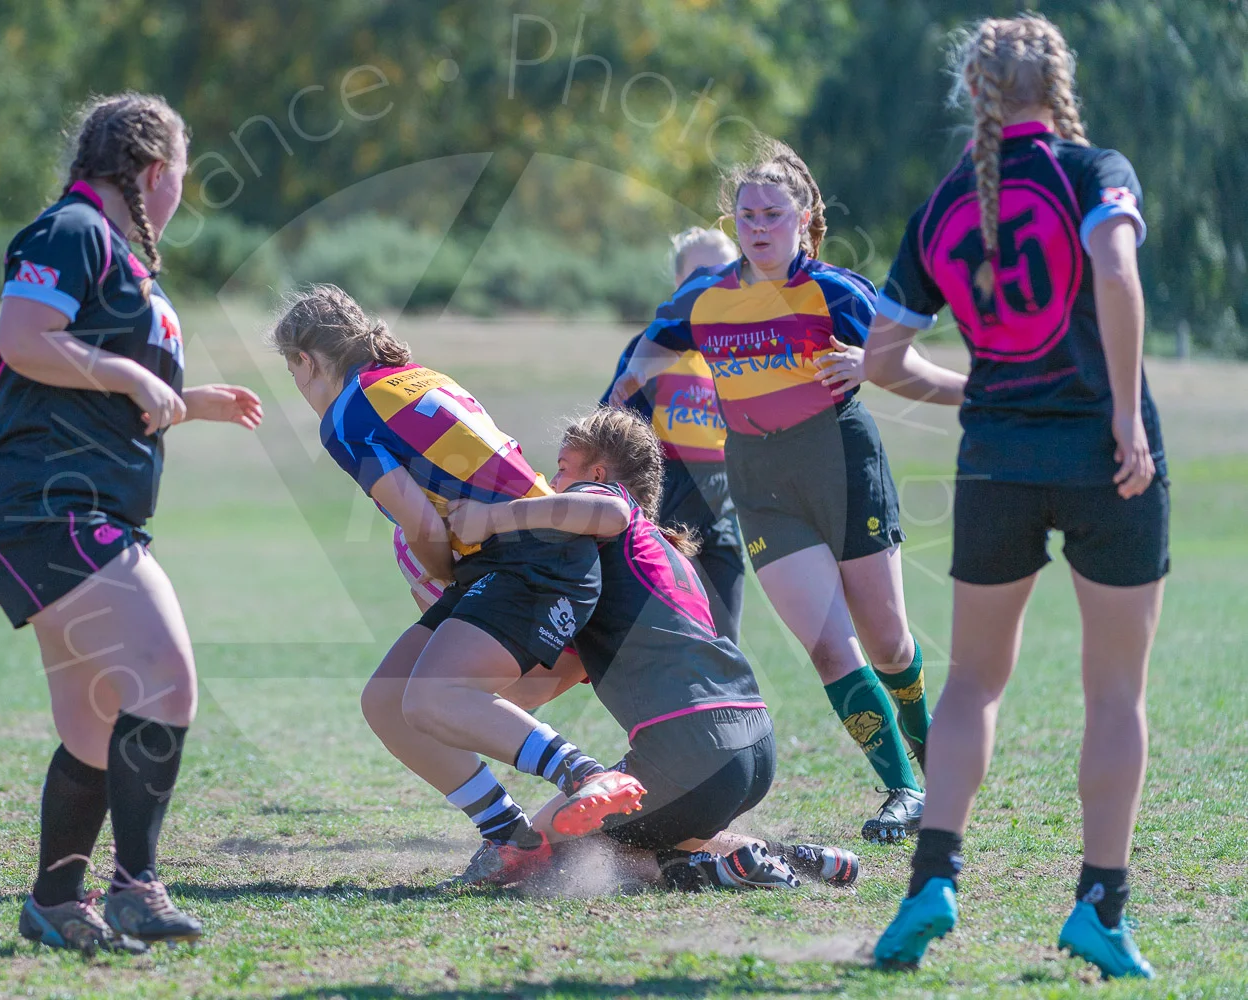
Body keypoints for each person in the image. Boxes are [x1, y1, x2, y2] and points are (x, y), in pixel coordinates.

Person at [864, 15, 1166, 979]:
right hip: (1105, 460)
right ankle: (1099, 907)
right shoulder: (1092, 169)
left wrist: (975, 389)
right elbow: (1116, 273)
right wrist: (1126, 416)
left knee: (972, 682)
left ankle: (932, 882)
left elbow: (880, 356)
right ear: (1058, 82)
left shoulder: (947, 202)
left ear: (974, 92)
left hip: (995, 462)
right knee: (1114, 691)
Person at [0, 94, 264, 952]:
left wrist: (184, 402)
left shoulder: (123, 260)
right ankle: (136, 884)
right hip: (48, 510)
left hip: (72, 512)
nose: (179, 194)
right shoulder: (72, 232)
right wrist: (133, 379)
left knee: (96, 726)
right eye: (181, 175)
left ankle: (56, 901)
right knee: (167, 679)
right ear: (154, 171)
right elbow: (27, 339)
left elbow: (89, 381)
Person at [270, 284, 646, 885]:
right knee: (388, 700)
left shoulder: (345, 414)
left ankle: (584, 774)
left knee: (429, 696)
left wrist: (438, 569)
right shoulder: (413, 376)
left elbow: (418, 520)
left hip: (532, 560)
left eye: (292, 373)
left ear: (305, 362)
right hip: (516, 557)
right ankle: (513, 841)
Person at [609, 141, 931, 843]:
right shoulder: (706, 297)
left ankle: (935, 753)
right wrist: (626, 398)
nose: (758, 225)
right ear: (733, 222)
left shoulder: (835, 290)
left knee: (888, 640)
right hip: (758, 481)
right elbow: (650, 347)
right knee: (828, 647)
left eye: (772, 213)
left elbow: (902, 354)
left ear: (804, 217)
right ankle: (905, 788)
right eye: (746, 213)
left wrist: (865, 362)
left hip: (842, 467)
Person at [449, 407, 860, 892]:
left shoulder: (607, 506)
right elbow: (529, 691)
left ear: (597, 473)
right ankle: (791, 860)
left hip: (690, 749)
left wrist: (492, 519)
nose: (552, 484)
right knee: (660, 830)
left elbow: (608, 509)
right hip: (751, 744)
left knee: (545, 851)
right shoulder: (651, 558)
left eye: (562, 468)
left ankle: (704, 873)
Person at [602, 227, 746, 644]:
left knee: (724, 639)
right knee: (662, 638)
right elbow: (611, 427)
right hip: (662, 506)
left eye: (723, 271)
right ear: (678, 283)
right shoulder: (652, 350)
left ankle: (731, 709)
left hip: (722, 506)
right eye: (700, 272)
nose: (711, 282)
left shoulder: (746, 350)